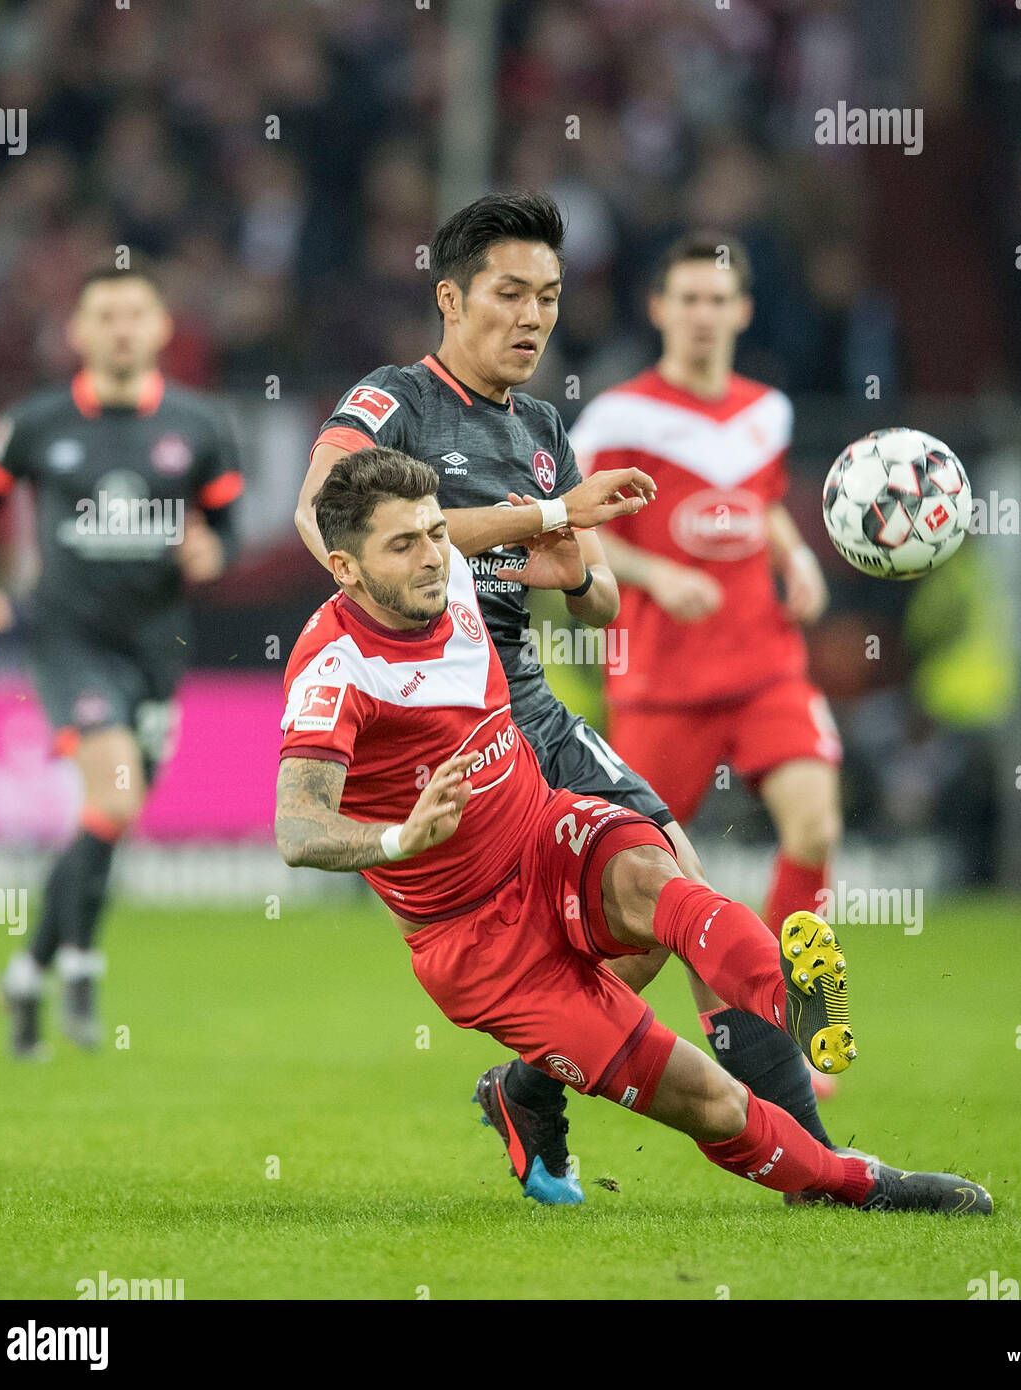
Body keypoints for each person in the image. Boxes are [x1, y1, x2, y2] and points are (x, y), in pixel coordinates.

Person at [294, 191, 844, 1204]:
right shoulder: (391, 403)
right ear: (449, 300)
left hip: (532, 708)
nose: (532, 317)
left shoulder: (546, 425)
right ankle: (793, 1155)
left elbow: (589, 598)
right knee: (645, 905)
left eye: (547, 296)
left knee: (667, 902)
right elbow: (314, 520)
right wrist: (534, 518)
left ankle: (537, 1090)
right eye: (509, 294)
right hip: (446, 728)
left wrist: (572, 561)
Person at [274, 447, 993, 1217]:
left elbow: (551, 569)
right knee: (707, 1101)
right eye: (403, 544)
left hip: (543, 833)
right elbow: (297, 827)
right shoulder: (334, 670)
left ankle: (795, 1004)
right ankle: (843, 1182)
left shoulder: (446, 565)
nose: (432, 557)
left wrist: (568, 540)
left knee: (663, 882)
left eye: (434, 533)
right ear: (345, 569)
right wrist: (398, 840)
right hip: (477, 942)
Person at [0, 265, 242, 1058]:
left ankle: (27, 971)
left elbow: (229, 523)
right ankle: (82, 964)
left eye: (134, 313)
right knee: (113, 793)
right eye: (103, 315)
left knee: (110, 816)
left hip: (156, 648)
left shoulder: (200, 423)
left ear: (159, 330)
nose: (119, 327)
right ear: (77, 333)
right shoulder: (37, 422)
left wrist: (210, 546)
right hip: (66, 641)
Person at [568, 233, 843, 975]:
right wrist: (655, 575)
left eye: (717, 300)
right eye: (687, 299)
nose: (702, 314)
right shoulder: (615, 419)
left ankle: (795, 1010)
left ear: (743, 311)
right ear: (657, 308)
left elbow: (759, 503)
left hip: (764, 663)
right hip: (662, 683)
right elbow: (576, 532)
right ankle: (545, 1069)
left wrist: (795, 557)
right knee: (642, 916)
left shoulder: (768, 412)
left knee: (814, 826)